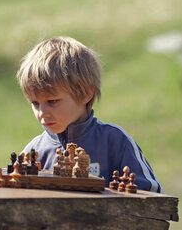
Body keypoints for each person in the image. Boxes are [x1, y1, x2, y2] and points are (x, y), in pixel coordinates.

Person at [16, 36, 162, 192]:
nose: (42, 114)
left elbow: (151, 196)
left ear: (86, 93)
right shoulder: (33, 152)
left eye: (52, 101)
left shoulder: (115, 141)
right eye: (35, 103)